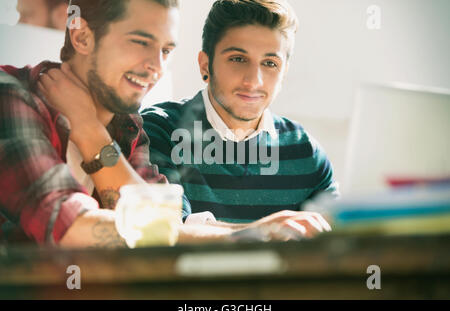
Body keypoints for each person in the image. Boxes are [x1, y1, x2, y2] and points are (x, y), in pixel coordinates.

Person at [1, 0, 329, 248]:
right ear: (83, 37)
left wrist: (259, 231)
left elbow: (168, 227)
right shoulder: (11, 97)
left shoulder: (128, 127)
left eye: (166, 50)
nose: (156, 67)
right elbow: (70, 225)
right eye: (140, 42)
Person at [141, 0, 338, 226]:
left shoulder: (305, 153)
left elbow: (338, 244)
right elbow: (167, 233)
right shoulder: (158, 131)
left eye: (270, 63)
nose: (254, 81)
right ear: (205, 65)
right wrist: (266, 233)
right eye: (238, 59)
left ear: (284, 73)